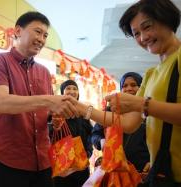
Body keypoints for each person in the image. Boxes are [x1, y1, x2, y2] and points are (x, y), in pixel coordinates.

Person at [73, 0, 181, 184]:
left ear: (168, 19)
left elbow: (138, 108)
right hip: (162, 171)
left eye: (147, 27)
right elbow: (129, 122)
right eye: (136, 33)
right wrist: (84, 110)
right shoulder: (151, 74)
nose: (143, 37)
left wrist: (140, 104)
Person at [0, 11, 78, 187]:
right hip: (6, 159)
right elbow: (2, 103)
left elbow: (45, 111)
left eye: (45, 35)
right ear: (18, 31)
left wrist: (53, 117)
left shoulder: (44, 72)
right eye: (37, 32)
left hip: (42, 160)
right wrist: (49, 101)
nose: (42, 39)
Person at [91, 72, 149, 172]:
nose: (129, 88)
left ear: (141, 87)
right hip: (114, 169)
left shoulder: (148, 111)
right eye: (124, 86)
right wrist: (102, 142)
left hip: (141, 169)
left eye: (134, 85)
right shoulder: (110, 111)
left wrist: (152, 161)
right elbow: (95, 134)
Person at [49, 80, 93, 187]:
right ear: (62, 92)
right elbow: (48, 134)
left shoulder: (83, 113)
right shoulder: (56, 112)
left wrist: (88, 152)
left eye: (75, 89)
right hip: (62, 164)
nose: (72, 91)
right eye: (68, 88)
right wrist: (54, 126)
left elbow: (90, 134)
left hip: (80, 165)